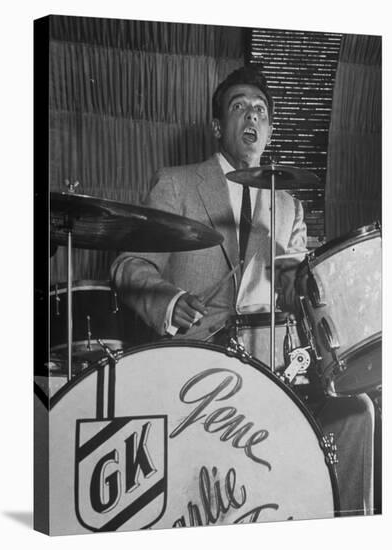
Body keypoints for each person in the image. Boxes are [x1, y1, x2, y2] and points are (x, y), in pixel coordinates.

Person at [110, 66, 374, 516]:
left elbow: (298, 290)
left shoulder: (289, 204)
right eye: (239, 107)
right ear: (218, 126)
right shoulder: (176, 183)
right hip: (194, 365)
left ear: (268, 130)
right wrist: (170, 301)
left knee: (359, 413)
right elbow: (128, 264)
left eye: (260, 110)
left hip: (273, 369)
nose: (251, 115)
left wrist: (311, 288)